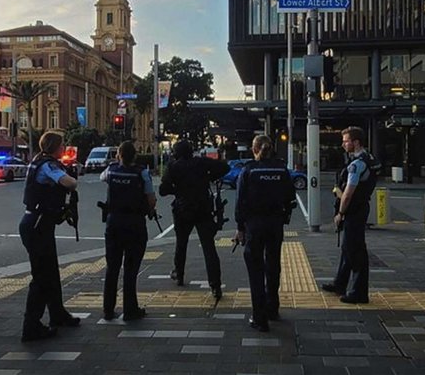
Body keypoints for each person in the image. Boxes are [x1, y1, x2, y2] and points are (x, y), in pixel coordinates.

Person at [19, 131, 80, 342]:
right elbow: (69, 183)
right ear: (55, 146)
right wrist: (71, 175)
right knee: (41, 277)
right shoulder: (48, 165)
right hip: (37, 225)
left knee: (51, 272)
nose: (64, 148)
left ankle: (57, 314)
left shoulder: (39, 161)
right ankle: (31, 326)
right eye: (62, 145)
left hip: (38, 224)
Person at [234, 135, 296, 332]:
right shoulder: (281, 169)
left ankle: (259, 318)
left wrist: (240, 227)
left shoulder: (249, 170)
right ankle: (272, 307)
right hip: (275, 224)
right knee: (273, 265)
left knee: (255, 269)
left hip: (254, 224)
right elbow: (291, 198)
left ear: (254, 149)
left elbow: (240, 201)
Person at [159, 139, 229, 299]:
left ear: (176, 153)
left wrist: (177, 190)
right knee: (209, 248)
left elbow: (163, 190)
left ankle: (179, 273)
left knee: (181, 243)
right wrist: (209, 178)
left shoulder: (173, 167)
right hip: (203, 209)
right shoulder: (201, 163)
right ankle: (215, 285)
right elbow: (225, 167)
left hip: (182, 209)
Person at [322, 126, 380, 304]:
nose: (343, 144)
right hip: (361, 207)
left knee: (355, 251)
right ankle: (340, 283)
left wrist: (341, 213)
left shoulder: (357, 164)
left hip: (354, 210)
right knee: (349, 247)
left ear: (356, 142)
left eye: (346, 141)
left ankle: (359, 292)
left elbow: (348, 193)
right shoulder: (370, 159)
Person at [100, 141, 156, 321]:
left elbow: (103, 178)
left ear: (118, 155)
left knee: (112, 268)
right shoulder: (142, 173)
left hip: (113, 223)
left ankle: (108, 309)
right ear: (135, 155)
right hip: (135, 224)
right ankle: (130, 309)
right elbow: (151, 199)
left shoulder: (111, 170)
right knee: (131, 269)